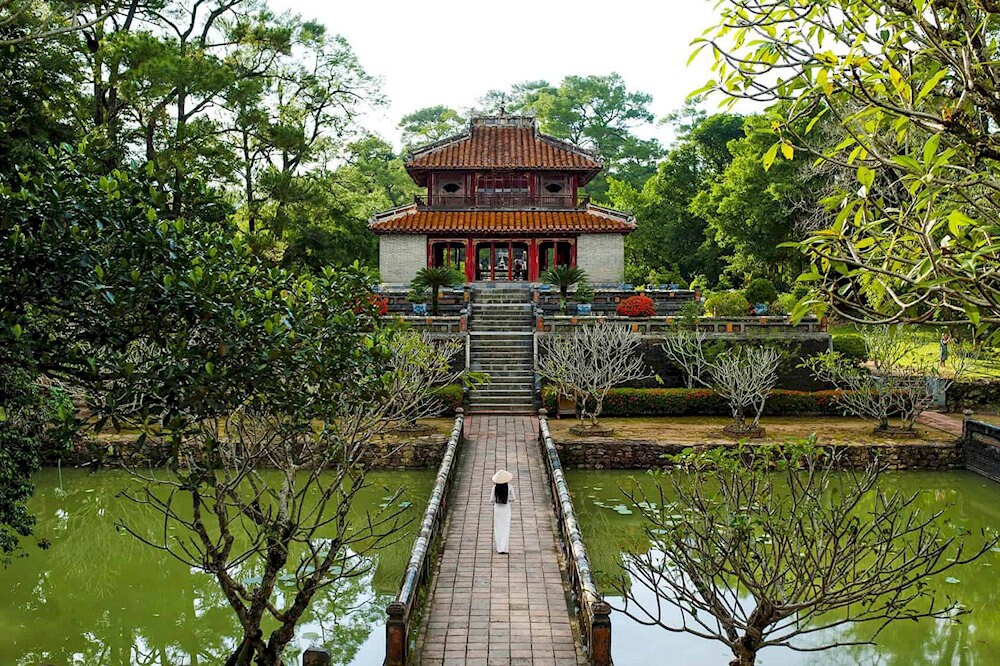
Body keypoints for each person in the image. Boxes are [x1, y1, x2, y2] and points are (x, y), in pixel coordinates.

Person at [491, 469, 514, 554]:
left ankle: (499, 547)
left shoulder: (494, 487)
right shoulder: (510, 487)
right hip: (506, 508)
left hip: (497, 508)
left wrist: (496, 501)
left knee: (498, 527)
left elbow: (491, 500)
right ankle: (505, 548)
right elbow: (514, 499)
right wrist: (507, 500)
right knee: (505, 527)